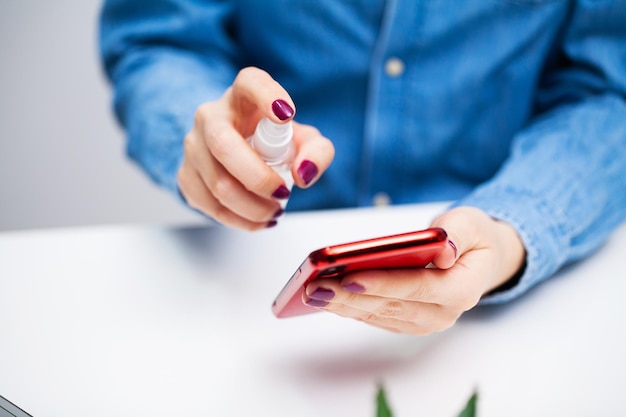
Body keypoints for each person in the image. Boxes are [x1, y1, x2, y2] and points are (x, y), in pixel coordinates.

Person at [99, 1, 626, 335]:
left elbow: (610, 91)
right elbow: (159, 39)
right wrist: (202, 137)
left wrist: (513, 227)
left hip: (505, 298)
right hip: (243, 265)